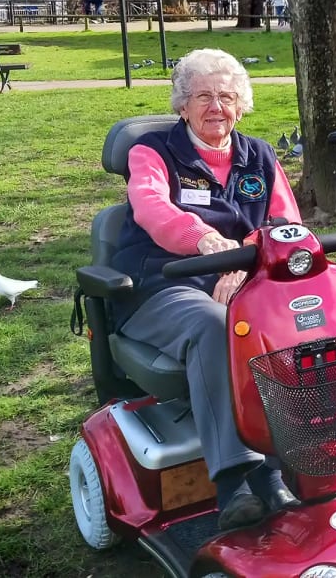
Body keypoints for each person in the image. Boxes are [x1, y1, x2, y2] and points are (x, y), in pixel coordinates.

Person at [110, 48, 302, 530]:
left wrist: (241, 264)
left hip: (241, 277)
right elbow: (153, 209)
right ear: (182, 105)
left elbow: (285, 221)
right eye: (203, 96)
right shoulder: (152, 151)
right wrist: (207, 243)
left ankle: (302, 454)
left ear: (241, 105)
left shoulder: (259, 154)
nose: (216, 106)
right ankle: (238, 481)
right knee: (219, 326)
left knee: (298, 319)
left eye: (226, 96)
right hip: (163, 283)